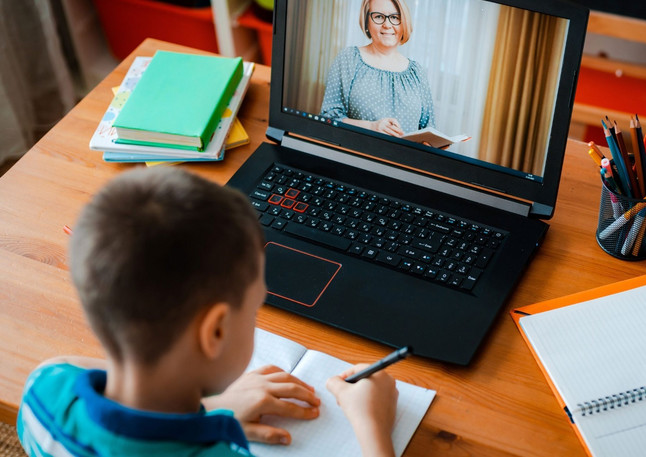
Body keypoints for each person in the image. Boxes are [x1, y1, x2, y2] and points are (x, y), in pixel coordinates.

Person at [16, 167, 399, 457]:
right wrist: (373, 425)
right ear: (214, 332)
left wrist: (209, 409)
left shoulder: (43, 393)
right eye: (255, 309)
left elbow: (62, 362)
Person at [320, 0, 435, 138]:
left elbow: (428, 128)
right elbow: (328, 118)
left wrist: (433, 143)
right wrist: (371, 126)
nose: (387, 25)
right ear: (367, 21)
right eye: (379, 16)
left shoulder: (417, 72)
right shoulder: (348, 59)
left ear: (403, 22)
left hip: (402, 160)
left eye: (394, 17)